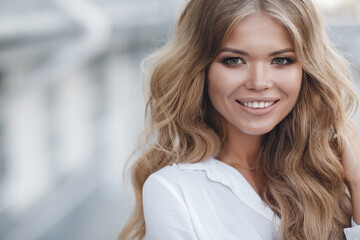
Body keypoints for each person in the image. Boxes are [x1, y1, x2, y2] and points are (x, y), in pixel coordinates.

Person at [119, 0, 360, 239]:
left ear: (305, 71)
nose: (259, 82)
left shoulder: (328, 171)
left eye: (281, 60)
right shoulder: (174, 190)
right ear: (200, 69)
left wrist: (357, 181)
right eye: (234, 60)